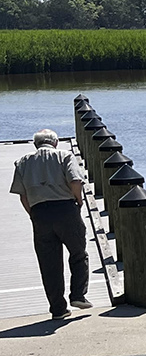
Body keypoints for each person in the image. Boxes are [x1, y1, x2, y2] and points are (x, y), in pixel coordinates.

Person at [10, 128, 91, 320]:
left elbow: (23, 196)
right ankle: (78, 295)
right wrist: (79, 201)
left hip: (40, 213)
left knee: (49, 263)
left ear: (35, 144)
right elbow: (75, 181)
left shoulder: (22, 162)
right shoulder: (65, 156)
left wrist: (34, 214)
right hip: (65, 209)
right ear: (55, 142)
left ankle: (58, 309)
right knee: (78, 253)